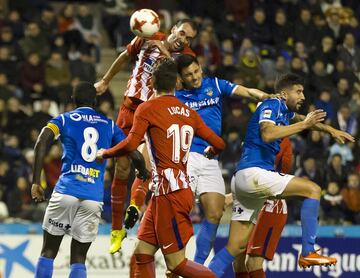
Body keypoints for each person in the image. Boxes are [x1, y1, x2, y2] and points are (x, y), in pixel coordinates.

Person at [208, 73, 354, 277]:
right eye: (298, 91)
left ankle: (202, 274)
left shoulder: (283, 111)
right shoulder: (273, 103)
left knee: (235, 248)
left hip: (243, 179)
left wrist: (330, 130)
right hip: (255, 173)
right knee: (313, 190)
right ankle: (308, 251)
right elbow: (267, 133)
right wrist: (304, 126)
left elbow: (305, 119)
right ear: (284, 94)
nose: (303, 96)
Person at [96, 58, 223, 277]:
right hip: (168, 190)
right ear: (176, 83)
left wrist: (105, 153)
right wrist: (212, 151)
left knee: (177, 265)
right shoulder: (189, 113)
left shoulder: (147, 108)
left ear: (152, 82)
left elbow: (131, 144)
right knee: (142, 254)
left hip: (170, 193)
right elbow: (220, 144)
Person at [94, 19, 198, 254]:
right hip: (129, 109)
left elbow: (184, 84)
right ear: (173, 30)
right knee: (121, 168)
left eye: (189, 38)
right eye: (182, 33)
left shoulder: (185, 57)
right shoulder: (148, 35)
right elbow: (123, 56)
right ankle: (117, 229)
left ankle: (136, 205)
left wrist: (166, 55)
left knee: (146, 162)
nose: (184, 40)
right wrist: (106, 81)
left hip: (154, 112)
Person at [31, 82, 148, 278]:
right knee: (79, 259)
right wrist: (142, 170)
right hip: (93, 198)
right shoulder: (109, 124)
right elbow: (130, 149)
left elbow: (42, 141)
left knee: (48, 252)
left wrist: (36, 180)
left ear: (73, 100)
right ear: (95, 101)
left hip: (66, 192)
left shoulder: (64, 119)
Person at [173, 54, 276, 265]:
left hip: (211, 158)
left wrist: (266, 97)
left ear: (201, 67)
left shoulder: (216, 85)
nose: (194, 78)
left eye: (196, 71)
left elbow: (246, 91)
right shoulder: (175, 96)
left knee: (215, 212)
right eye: (188, 75)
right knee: (180, 210)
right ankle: (175, 263)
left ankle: (197, 266)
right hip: (186, 157)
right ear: (181, 78)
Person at [233, 137, 292, 278]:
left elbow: (282, 174)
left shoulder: (284, 142)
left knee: (253, 263)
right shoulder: (252, 135)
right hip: (248, 200)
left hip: (270, 203)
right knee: (238, 260)